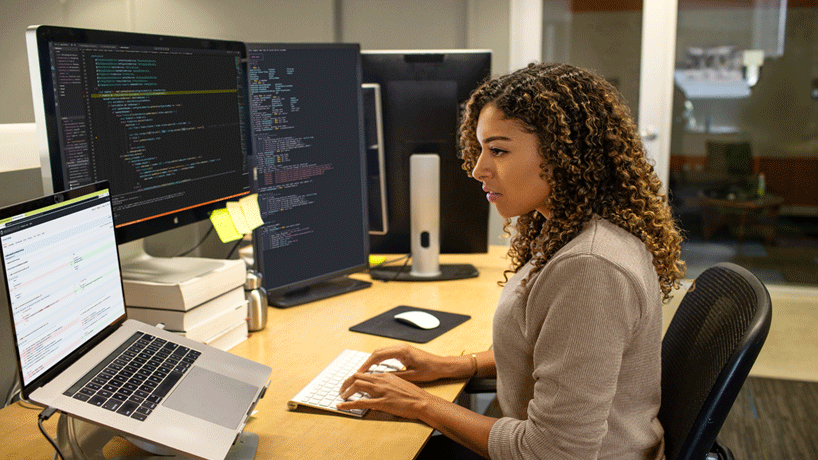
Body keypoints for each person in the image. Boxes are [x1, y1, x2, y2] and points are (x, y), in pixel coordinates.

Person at [338, 62, 685, 459]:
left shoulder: (590, 267)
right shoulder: (566, 230)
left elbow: (553, 453)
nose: (477, 169)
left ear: (563, 153)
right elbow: (556, 355)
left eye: (499, 150)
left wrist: (420, 404)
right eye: (482, 148)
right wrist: (455, 366)